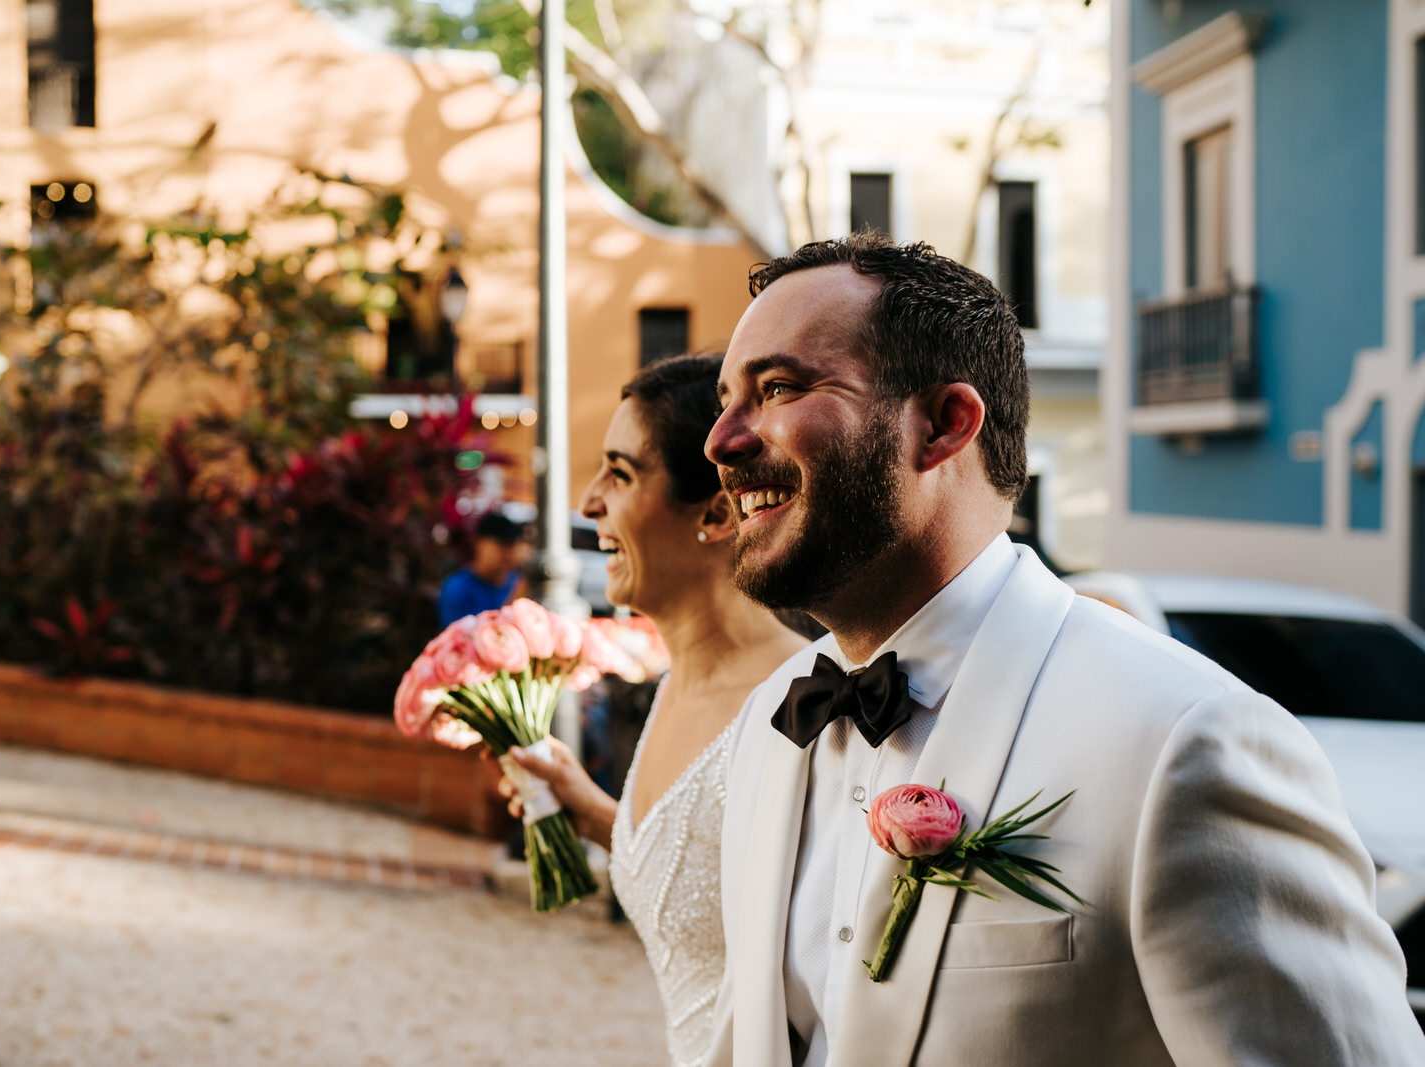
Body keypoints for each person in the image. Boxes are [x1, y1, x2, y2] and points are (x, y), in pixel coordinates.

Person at [701, 234, 1425, 1065]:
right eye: (728, 398)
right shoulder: (773, 717)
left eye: (779, 388)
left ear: (943, 426)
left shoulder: (1184, 742)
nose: (721, 439)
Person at [504, 354, 806, 1066]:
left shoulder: (801, 707)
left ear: (716, 510)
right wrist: (596, 812)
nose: (587, 503)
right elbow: (716, 871)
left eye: (621, 472)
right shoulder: (677, 681)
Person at [436, 512, 530, 628]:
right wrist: (516, 601)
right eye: (502, 544)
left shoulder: (517, 580)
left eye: (511, 544)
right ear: (479, 543)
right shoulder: (457, 588)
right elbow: (466, 638)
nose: (507, 551)